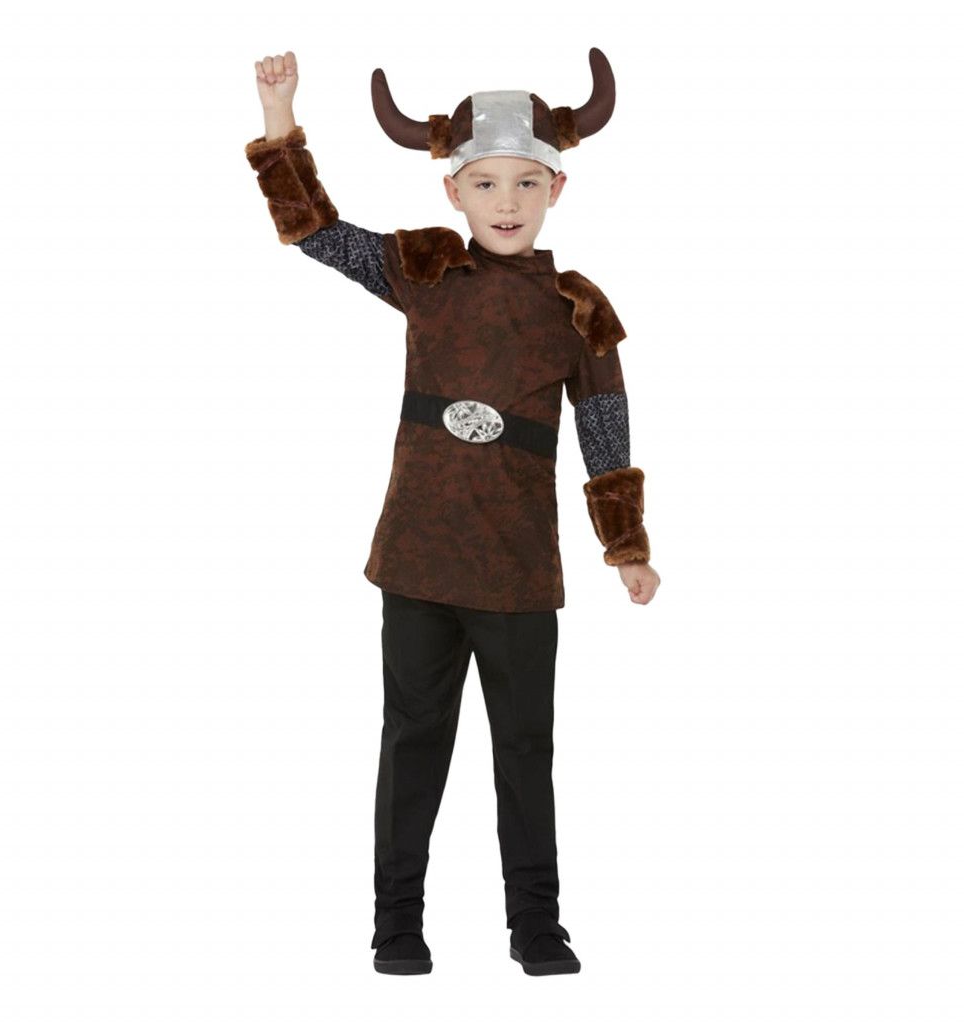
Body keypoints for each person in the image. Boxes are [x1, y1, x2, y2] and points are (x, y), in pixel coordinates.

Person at [244, 49, 661, 977]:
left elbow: (606, 429)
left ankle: (537, 925)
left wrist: (625, 548)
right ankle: (396, 923)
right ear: (454, 191)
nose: (505, 201)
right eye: (484, 183)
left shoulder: (578, 308)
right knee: (414, 741)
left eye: (525, 182)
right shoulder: (424, 270)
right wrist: (279, 115)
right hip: (419, 563)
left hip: (518, 572)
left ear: (556, 188)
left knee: (524, 750)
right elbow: (316, 232)